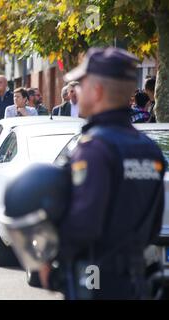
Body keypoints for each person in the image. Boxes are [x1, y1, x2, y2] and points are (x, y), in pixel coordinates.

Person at [39, 47, 166, 300]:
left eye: (81, 85)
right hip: (135, 277)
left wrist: (48, 259)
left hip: (95, 276)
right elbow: (153, 224)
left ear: (96, 91)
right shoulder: (149, 149)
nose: (75, 91)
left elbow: (84, 223)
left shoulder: (95, 148)